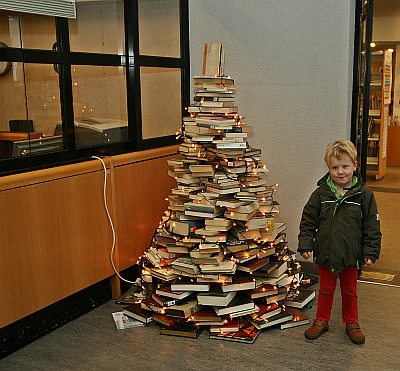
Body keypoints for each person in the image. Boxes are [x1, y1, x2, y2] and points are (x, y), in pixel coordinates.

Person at [298, 140, 381, 345]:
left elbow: (372, 225)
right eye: (335, 167)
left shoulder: (364, 195)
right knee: (325, 290)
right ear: (329, 169)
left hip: (351, 255)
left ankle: (352, 322)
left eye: (345, 166)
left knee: (350, 291)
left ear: (354, 165)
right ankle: (322, 320)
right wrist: (306, 245)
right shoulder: (321, 194)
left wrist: (370, 252)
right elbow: (308, 220)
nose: (341, 172)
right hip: (326, 253)